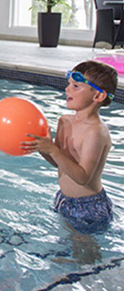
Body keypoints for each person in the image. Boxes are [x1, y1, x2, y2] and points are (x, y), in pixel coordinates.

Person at [21, 60, 117, 236]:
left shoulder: (96, 132)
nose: (67, 89)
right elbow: (61, 164)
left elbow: (83, 178)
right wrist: (43, 148)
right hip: (64, 199)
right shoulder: (64, 121)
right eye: (68, 84)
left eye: (75, 86)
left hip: (89, 207)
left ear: (98, 96)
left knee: (85, 256)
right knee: (66, 248)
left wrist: (53, 150)